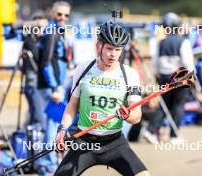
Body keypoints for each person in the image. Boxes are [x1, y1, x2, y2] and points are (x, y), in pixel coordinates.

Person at [54, 20, 150, 176]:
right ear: (99, 46)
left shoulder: (130, 74)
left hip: (114, 142)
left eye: (118, 49)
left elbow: (136, 116)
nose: (113, 54)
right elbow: (72, 105)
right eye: (109, 49)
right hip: (84, 142)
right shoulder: (83, 69)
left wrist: (127, 115)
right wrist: (62, 130)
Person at [145, 12, 194, 143]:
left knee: (164, 105)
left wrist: (158, 76)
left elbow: (155, 64)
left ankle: (150, 131)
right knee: (178, 106)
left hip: (163, 77)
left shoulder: (160, 43)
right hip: (180, 78)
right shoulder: (183, 42)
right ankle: (174, 135)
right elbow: (188, 63)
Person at [37, 1, 71, 173]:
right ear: (52, 13)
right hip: (53, 87)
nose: (62, 18)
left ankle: (49, 162)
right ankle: (48, 165)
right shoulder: (51, 32)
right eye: (59, 14)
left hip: (58, 85)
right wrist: (55, 87)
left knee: (54, 124)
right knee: (51, 125)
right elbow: (45, 63)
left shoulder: (59, 31)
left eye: (66, 15)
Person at [21, 11, 48, 125]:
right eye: (38, 27)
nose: (41, 30)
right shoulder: (29, 41)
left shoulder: (46, 40)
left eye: (43, 27)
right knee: (39, 118)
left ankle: (31, 139)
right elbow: (39, 58)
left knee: (39, 116)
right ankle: (34, 142)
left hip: (44, 85)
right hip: (33, 85)